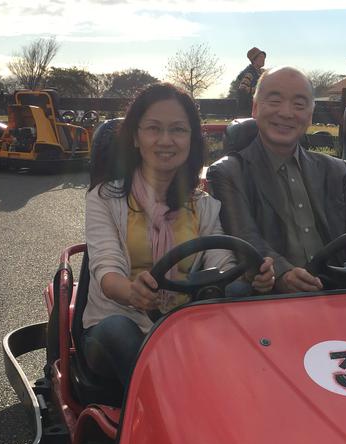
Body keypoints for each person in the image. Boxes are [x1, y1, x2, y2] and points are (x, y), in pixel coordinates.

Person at [84, 83, 275, 388]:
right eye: (153, 129)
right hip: (121, 318)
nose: (165, 140)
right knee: (119, 331)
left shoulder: (204, 205)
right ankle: (164, 416)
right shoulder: (104, 198)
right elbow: (106, 269)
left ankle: (250, 393)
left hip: (184, 320)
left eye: (178, 130)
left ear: (190, 139)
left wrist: (253, 276)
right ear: (135, 136)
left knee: (241, 298)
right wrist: (132, 291)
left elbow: (220, 261)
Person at [208, 66, 346, 293]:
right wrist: (283, 273)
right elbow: (246, 239)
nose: (286, 113)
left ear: (310, 116)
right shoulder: (229, 173)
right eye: (275, 101)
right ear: (255, 108)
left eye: (299, 105)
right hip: (272, 305)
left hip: (342, 295)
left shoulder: (336, 170)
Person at [234, 47, 266, 117]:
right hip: (249, 111)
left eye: (264, 57)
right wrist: (259, 89)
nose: (263, 59)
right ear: (254, 60)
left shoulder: (261, 72)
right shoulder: (249, 73)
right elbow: (242, 89)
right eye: (261, 57)